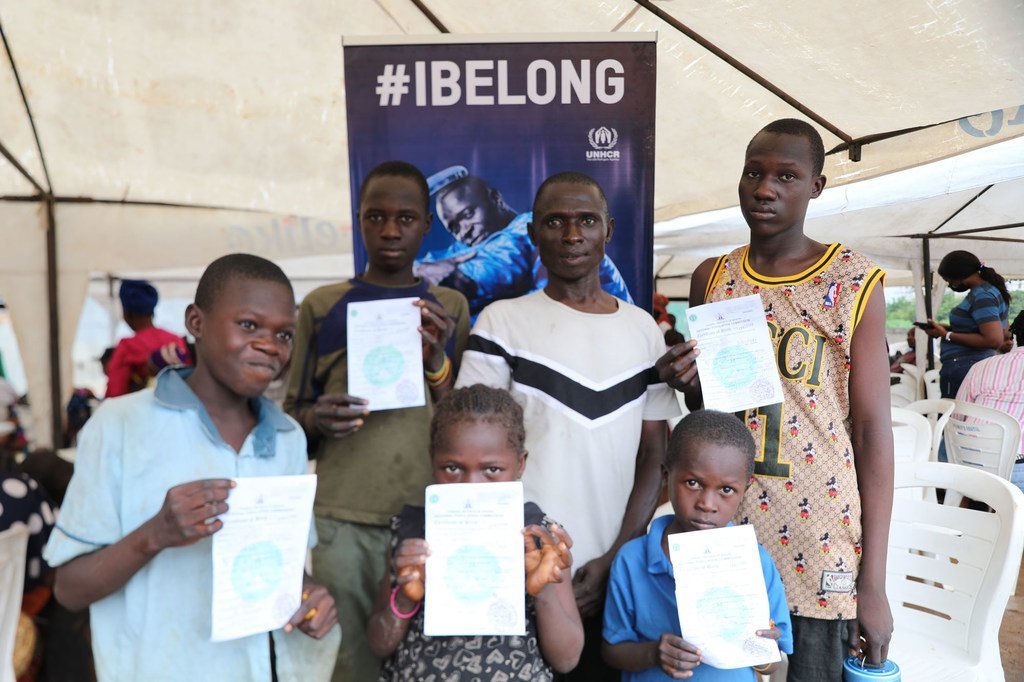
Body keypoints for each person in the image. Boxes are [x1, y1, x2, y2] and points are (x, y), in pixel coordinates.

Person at [657, 119, 894, 681]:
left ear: (816, 185)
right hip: (723, 525)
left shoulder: (853, 280)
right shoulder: (712, 277)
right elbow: (710, 418)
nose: (765, 188)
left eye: (786, 176)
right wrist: (689, 385)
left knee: (810, 668)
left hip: (819, 538)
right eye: (753, 174)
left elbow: (871, 432)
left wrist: (874, 583)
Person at [43, 253, 338, 680]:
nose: (271, 345)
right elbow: (69, 589)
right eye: (249, 325)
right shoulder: (120, 425)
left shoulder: (287, 437)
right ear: (196, 323)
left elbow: (282, 567)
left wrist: (307, 595)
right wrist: (155, 533)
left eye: (285, 334)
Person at [456, 171, 680, 679]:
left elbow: (656, 458)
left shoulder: (644, 329)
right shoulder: (500, 322)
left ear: (609, 229)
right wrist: (534, 557)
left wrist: (618, 555)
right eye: (555, 222)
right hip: (520, 572)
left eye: (586, 221)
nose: (572, 235)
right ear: (533, 232)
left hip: (614, 576)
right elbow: (474, 459)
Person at [284, 160, 471, 681]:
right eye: (376, 217)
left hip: (424, 515)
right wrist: (319, 419)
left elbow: (460, 418)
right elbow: (289, 419)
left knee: (422, 653)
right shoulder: (322, 307)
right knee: (348, 660)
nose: (390, 230)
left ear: (427, 224)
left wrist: (436, 361)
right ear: (359, 220)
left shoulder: (449, 305)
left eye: (406, 218)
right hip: (341, 516)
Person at [367, 384, 584, 680]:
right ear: (433, 460)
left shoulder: (540, 540)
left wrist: (544, 590)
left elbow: (567, 659)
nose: (472, 486)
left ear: (520, 465)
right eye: (453, 468)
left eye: (492, 470)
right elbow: (380, 645)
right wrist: (405, 598)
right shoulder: (412, 535)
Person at [602, 410, 793, 680]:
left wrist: (763, 650)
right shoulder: (632, 560)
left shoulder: (754, 561)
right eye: (693, 483)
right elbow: (612, 650)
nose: (707, 503)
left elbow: (771, 664)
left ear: (744, 491)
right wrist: (654, 653)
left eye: (726, 490)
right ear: (667, 476)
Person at [414, 168, 633, 315]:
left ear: (496, 199)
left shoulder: (524, 231)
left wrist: (429, 273)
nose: (464, 229)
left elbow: (484, 270)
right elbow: (437, 261)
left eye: (469, 214)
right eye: (453, 226)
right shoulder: (473, 243)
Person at [921, 250, 1011, 398]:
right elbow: (999, 330)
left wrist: (947, 334)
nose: (950, 284)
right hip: (972, 363)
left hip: (965, 365)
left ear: (959, 275)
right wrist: (948, 329)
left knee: (953, 416)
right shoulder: (989, 291)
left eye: (949, 280)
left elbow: (994, 339)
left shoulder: (982, 295)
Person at [956, 310, 1024, 492]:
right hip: (1017, 471)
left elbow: (957, 415)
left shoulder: (981, 366)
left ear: (1015, 334)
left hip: (968, 464)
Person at [105, 279, 191, 398]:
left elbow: (115, 393)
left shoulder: (127, 346)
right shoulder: (175, 340)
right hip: (178, 408)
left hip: (138, 413)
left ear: (127, 313)